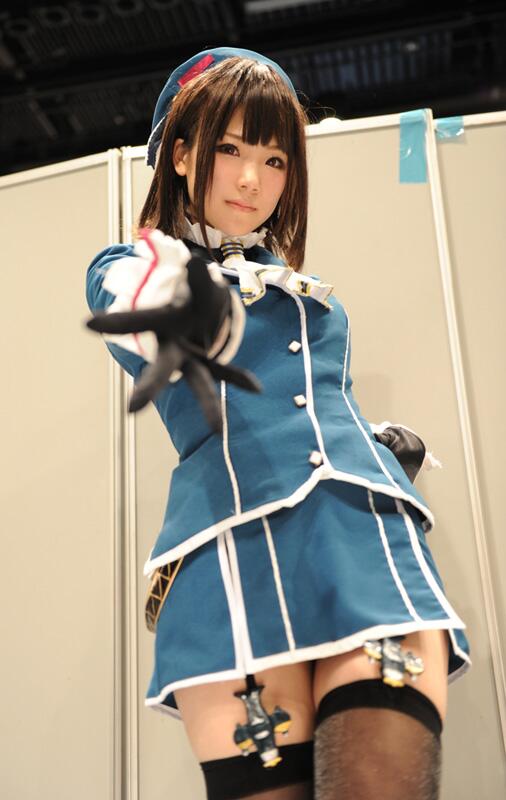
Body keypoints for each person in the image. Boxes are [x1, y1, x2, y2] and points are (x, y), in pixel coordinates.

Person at [85, 47, 471, 800]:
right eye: (229, 150)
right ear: (181, 154)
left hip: (360, 543)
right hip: (228, 552)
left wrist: (376, 450)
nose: (252, 180)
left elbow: (308, 400)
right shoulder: (128, 268)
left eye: (274, 159)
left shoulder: (305, 288)